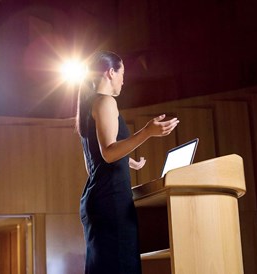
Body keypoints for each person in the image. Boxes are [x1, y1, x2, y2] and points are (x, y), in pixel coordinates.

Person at [76, 50, 179, 274]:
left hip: (96, 199)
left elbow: (93, 162)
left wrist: (127, 161)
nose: (124, 79)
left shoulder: (87, 105)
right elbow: (108, 154)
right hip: (111, 201)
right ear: (110, 72)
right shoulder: (106, 102)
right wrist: (147, 132)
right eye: (122, 73)